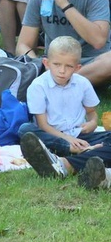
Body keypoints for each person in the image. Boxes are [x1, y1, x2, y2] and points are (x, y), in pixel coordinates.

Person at [18, 37, 111, 186]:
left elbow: (92, 113)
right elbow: (43, 125)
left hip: (79, 134)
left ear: (77, 68)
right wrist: (69, 142)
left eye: (68, 66)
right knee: (25, 130)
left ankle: (78, 155)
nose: (62, 70)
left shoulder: (83, 83)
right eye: (56, 64)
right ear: (46, 63)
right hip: (53, 135)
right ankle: (73, 151)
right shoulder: (38, 86)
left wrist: (92, 124)